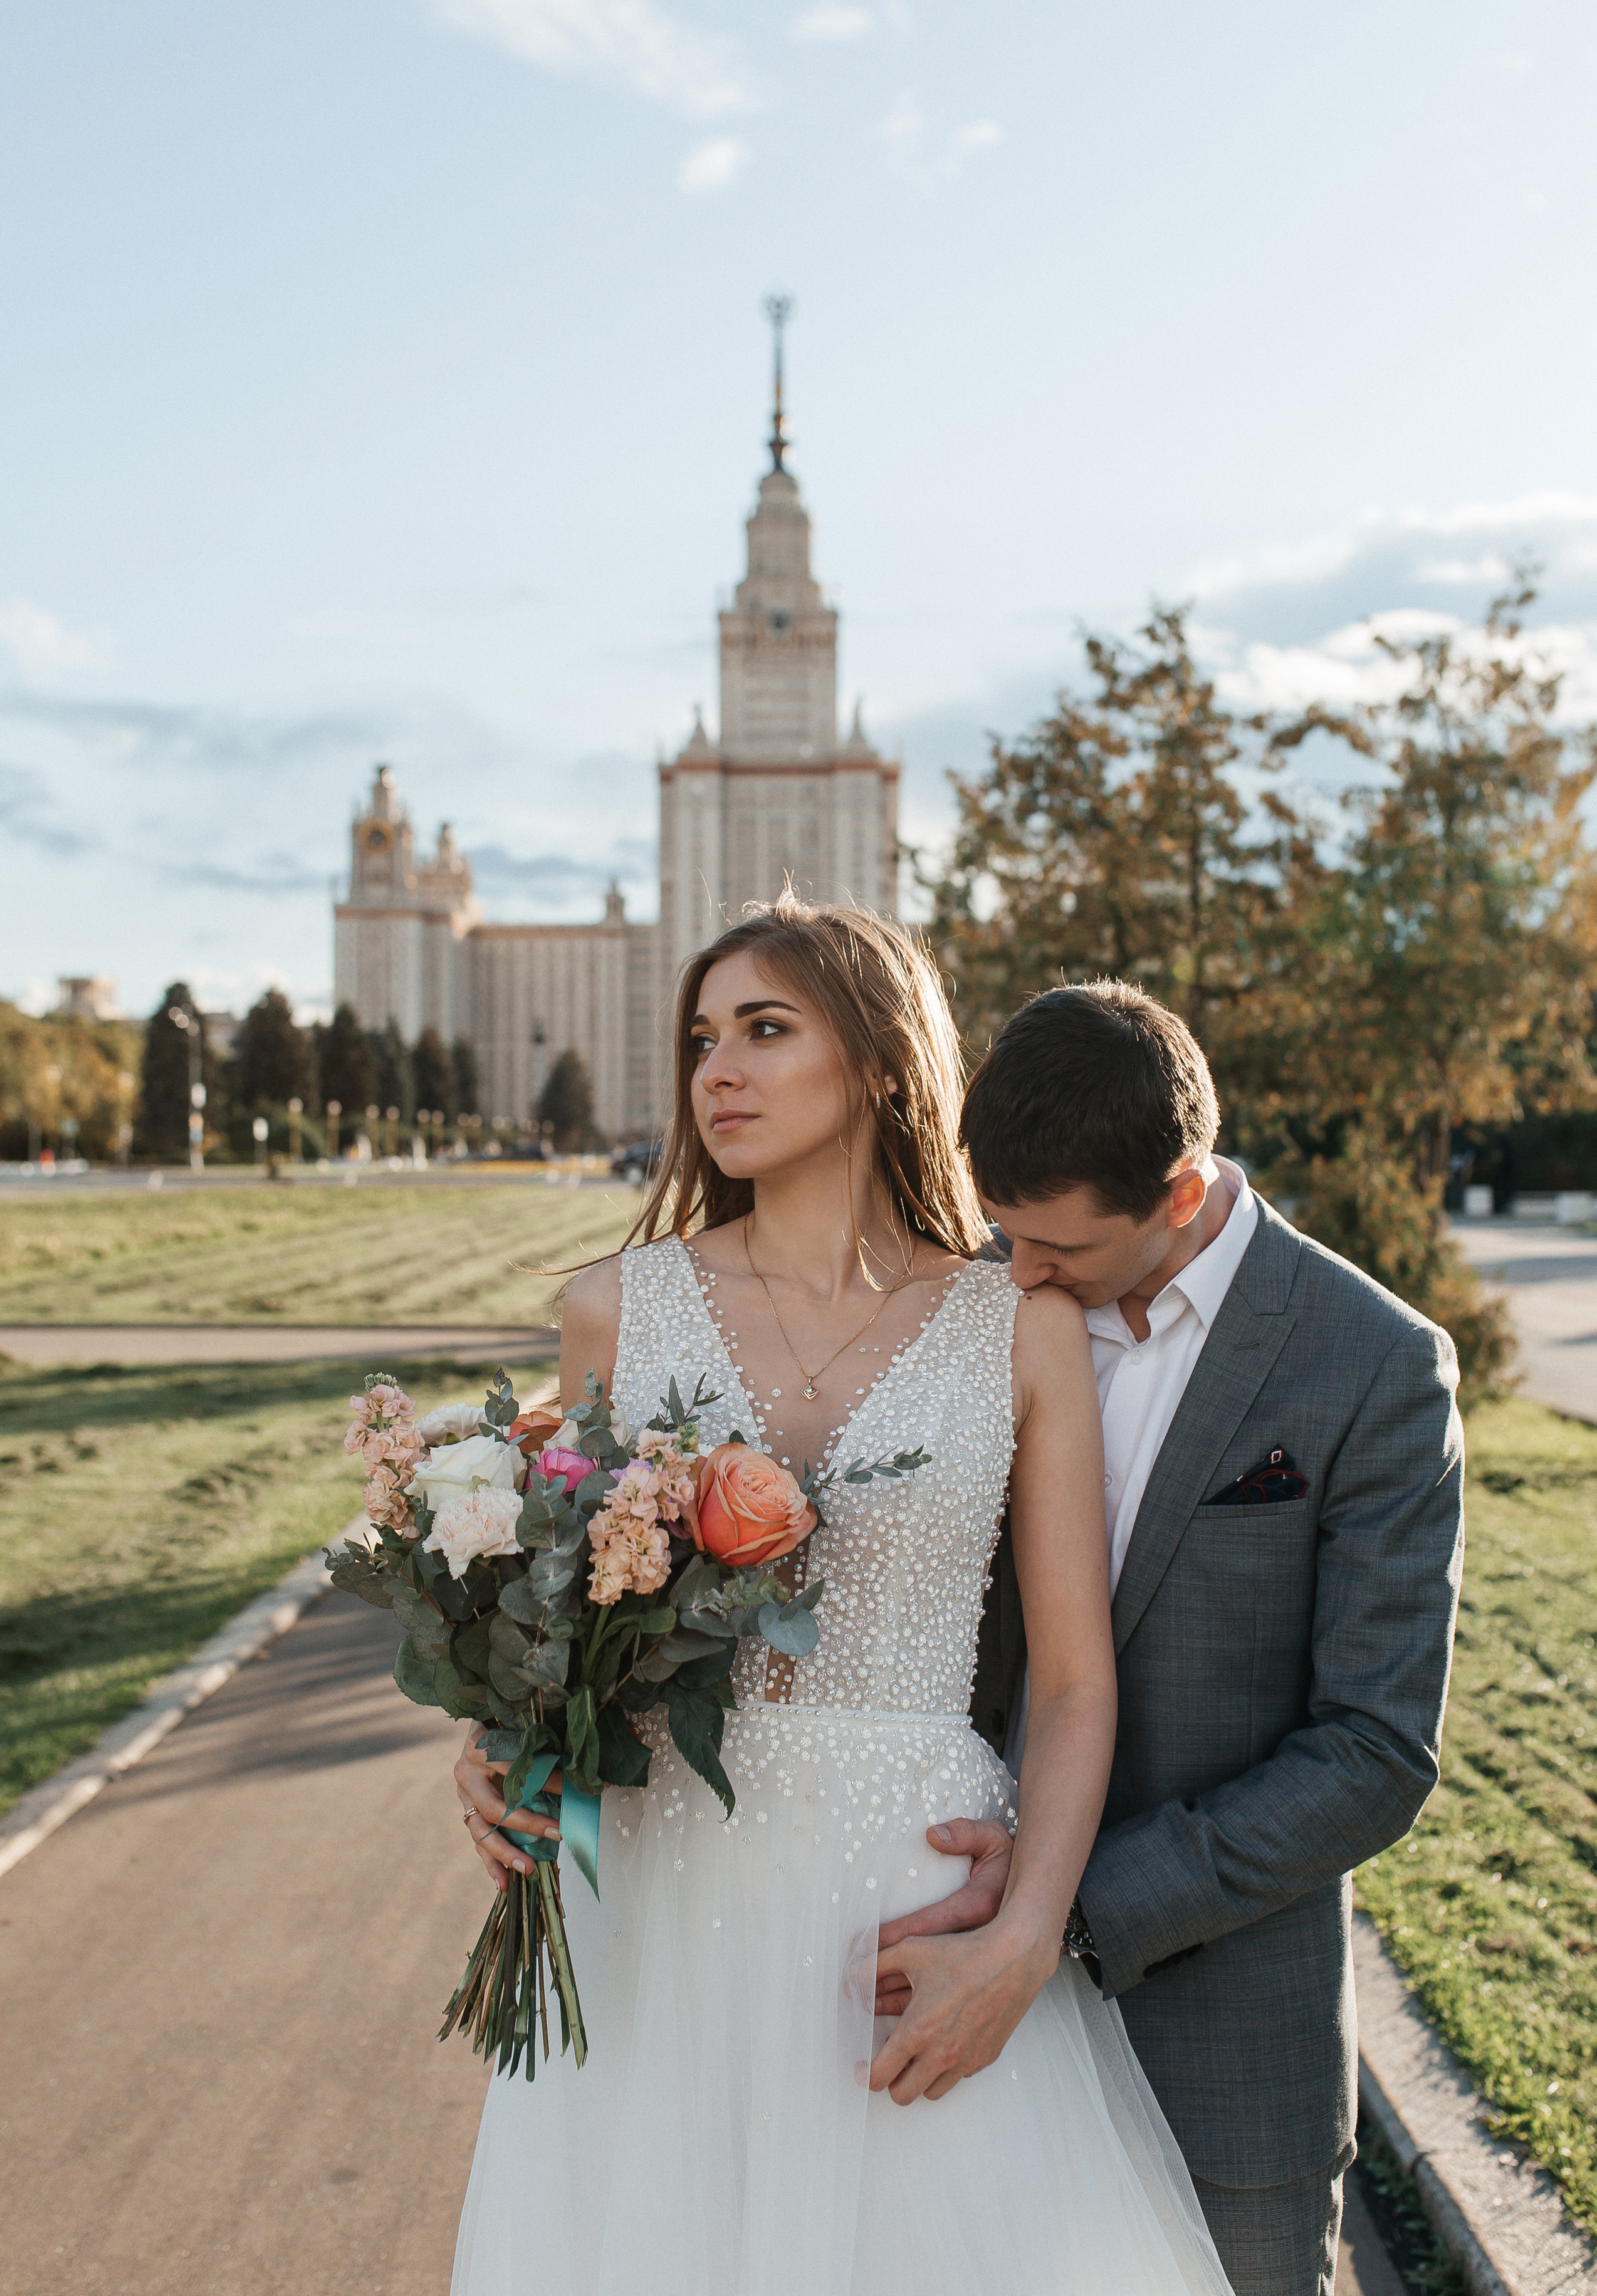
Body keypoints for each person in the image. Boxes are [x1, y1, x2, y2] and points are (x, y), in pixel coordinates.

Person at [448, 900, 1234, 2296]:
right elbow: (557, 1613)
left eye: (763, 1029)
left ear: (879, 1059)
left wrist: (1021, 1935)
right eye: (701, 1039)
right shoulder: (609, 1313)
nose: (716, 1073)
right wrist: (500, 1744)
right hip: (656, 1901)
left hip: (910, 1915)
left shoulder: (1022, 1327)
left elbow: (1068, 1680)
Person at [876, 981, 1465, 2296]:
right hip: (944, 2008)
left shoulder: (1372, 1369)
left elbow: (1372, 1753)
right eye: (1001, 1233)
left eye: (1058, 1252)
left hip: (1223, 2055)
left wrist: (1055, 1918)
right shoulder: (973, 1303)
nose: (1018, 1274)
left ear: (1182, 1195)